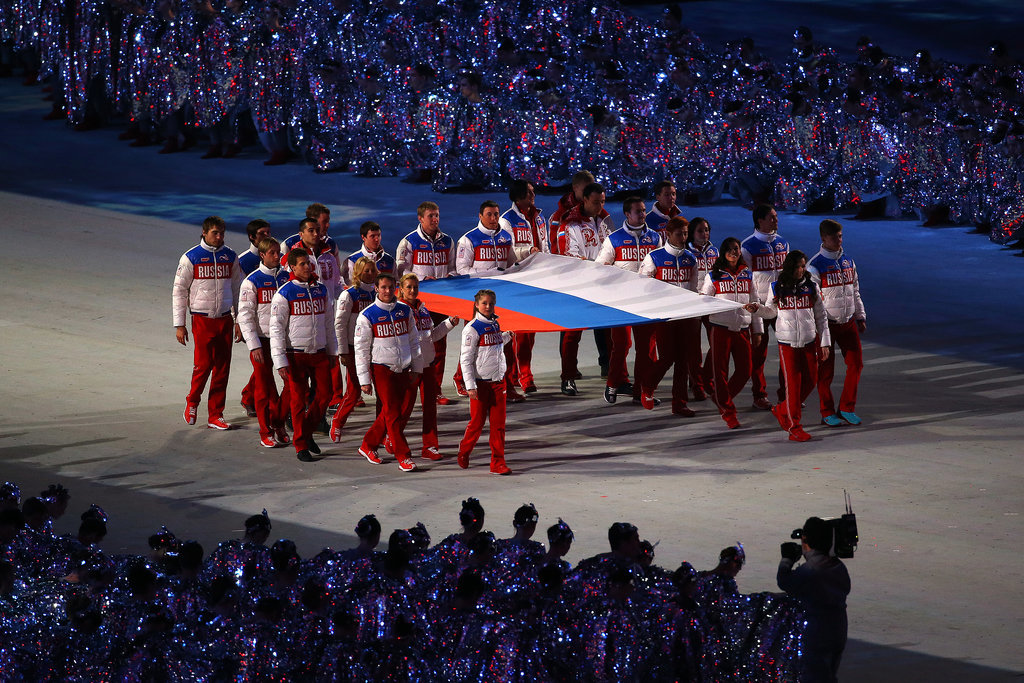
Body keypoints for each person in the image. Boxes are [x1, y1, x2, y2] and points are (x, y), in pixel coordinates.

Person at [172, 216, 242, 430]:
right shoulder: (191, 257)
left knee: (222, 368)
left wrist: (239, 320)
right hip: (202, 320)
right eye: (215, 233)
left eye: (222, 233)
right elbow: (179, 291)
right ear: (204, 232)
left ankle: (215, 414)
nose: (219, 237)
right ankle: (192, 401)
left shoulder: (230, 256)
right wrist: (179, 324)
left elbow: (238, 290)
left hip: (225, 320)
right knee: (203, 365)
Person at [754, 251, 831, 442]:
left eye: (803, 266)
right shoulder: (777, 287)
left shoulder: (812, 287)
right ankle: (794, 427)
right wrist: (757, 309)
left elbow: (821, 317)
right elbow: (771, 312)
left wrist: (825, 343)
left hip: (809, 342)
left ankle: (782, 409)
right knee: (793, 386)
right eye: (797, 266)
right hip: (786, 344)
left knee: (811, 380)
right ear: (789, 267)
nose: (801, 270)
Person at [269, 248, 338, 462]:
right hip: (295, 355)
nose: (307, 267)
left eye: (308, 263)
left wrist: (333, 351)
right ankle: (300, 445)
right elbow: (277, 329)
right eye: (302, 264)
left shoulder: (321, 290)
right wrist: (280, 361)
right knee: (298, 401)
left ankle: (306, 433)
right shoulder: (284, 293)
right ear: (291, 267)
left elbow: (328, 323)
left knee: (325, 394)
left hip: (318, 353)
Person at [353, 273, 423, 472]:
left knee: (390, 412)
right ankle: (404, 456)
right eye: (383, 287)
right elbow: (361, 349)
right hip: (382, 369)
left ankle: (367, 446)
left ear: (396, 288)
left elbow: (414, 340)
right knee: (392, 413)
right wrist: (364, 379)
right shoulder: (367, 315)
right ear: (376, 288)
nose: (387, 291)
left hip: (404, 368)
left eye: (390, 287)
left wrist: (416, 367)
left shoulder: (405, 311)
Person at [596, 196, 662, 405]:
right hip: (622, 302)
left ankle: (642, 391)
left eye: (643, 210)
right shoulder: (614, 239)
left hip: (646, 302)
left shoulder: (655, 238)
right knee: (622, 345)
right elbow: (600, 268)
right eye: (638, 211)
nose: (643, 214)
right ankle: (612, 385)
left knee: (647, 348)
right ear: (627, 214)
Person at [455, 200, 521, 402]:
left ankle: (506, 384)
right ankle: (462, 379)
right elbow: (462, 270)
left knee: (503, 341)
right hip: (478, 301)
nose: (494, 218)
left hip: (501, 299)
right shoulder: (468, 240)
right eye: (490, 214)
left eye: (497, 214)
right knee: (475, 342)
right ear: (480, 216)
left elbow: (511, 264)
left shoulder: (505, 236)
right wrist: (489, 273)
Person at [395, 201, 458, 405]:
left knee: (439, 347)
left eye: (437, 215)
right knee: (412, 346)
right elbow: (400, 272)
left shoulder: (447, 241)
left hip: (441, 302)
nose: (435, 219)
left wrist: (448, 276)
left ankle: (435, 390)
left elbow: (454, 268)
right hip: (416, 304)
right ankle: (408, 389)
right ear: (420, 218)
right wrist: (420, 281)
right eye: (431, 216)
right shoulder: (408, 242)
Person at [807, 220, 866, 427]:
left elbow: (855, 290)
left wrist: (860, 315)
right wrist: (819, 331)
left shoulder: (849, 261)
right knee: (826, 372)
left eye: (840, 236)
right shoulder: (814, 265)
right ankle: (827, 412)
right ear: (823, 238)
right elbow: (813, 302)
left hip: (848, 322)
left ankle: (847, 408)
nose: (839, 240)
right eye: (834, 237)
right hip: (827, 325)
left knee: (856, 364)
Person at [699, 237, 763, 429]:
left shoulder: (748, 275)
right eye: (729, 249)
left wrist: (757, 330)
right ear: (723, 253)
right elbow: (704, 300)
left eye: (736, 249)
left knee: (746, 370)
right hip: (720, 329)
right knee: (720, 373)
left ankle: (720, 398)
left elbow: (756, 304)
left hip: (742, 329)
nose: (733, 252)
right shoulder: (714, 276)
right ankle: (728, 412)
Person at [638, 216, 700, 415]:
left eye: (685, 233)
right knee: (667, 358)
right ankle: (647, 386)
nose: (683, 237)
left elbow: (694, 289)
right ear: (668, 234)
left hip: (685, 317)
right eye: (679, 233)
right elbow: (642, 288)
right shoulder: (654, 257)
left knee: (683, 361)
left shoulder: (691, 258)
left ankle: (679, 403)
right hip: (664, 317)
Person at [559, 182, 616, 396]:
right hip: (579, 285)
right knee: (573, 334)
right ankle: (567, 378)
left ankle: (614, 375)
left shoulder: (605, 220)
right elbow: (571, 254)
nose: (600, 206)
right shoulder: (571, 224)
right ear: (584, 200)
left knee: (611, 333)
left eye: (603, 201)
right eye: (595, 202)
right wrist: (594, 266)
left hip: (604, 284)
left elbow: (613, 246)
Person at [778, 517, 851, 683]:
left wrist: (786, 560)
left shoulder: (811, 570)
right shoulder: (838, 566)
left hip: (817, 631)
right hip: (838, 628)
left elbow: (784, 582)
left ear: (806, 540)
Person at [396, 273, 458, 460]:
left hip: (428, 365)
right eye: (409, 287)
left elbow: (431, 336)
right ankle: (393, 438)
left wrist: (448, 324)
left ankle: (429, 446)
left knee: (430, 408)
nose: (413, 291)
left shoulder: (423, 310)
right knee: (404, 407)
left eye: (415, 287)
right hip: (410, 367)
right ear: (400, 290)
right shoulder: (398, 311)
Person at [237, 237, 291, 448]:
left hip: (285, 341)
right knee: (263, 388)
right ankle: (265, 430)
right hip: (262, 340)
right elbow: (245, 315)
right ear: (262, 255)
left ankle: (278, 422)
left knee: (292, 384)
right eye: (272, 253)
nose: (277, 256)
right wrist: (254, 346)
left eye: (278, 252)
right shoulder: (252, 281)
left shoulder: (287, 278)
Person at [457, 289, 513, 475]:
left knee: (499, 426)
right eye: (484, 303)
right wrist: (470, 385)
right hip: (480, 385)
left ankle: (498, 462)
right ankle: (464, 450)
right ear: (476, 304)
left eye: (491, 303)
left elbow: (494, 347)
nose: (488, 307)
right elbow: (466, 360)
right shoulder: (471, 329)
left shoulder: (495, 324)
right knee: (477, 423)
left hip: (499, 383)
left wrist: (507, 336)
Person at [500, 179, 549, 393]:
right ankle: (518, 376)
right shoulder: (507, 220)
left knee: (530, 332)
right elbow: (509, 251)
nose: (533, 194)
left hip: (536, 280)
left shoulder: (539, 217)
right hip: (516, 280)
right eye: (529, 192)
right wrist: (528, 251)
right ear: (519, 196)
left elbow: (545, 246)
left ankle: (523, 375)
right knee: (515, 332)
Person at [740, 205, 790, 410]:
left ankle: (786, 394)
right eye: (771, 217)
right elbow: (746, 281)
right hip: (760, 307)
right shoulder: (747, 246)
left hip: (782, 305)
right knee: (759, 353)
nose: (776, 221)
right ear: (759, 220)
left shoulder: (783, 243)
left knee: (787, 351)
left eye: (776, 217)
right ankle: (759, 395)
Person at [329, 257, 378, 442]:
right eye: (366, 271)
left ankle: (383, 430)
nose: (370, 274)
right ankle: (337, 422)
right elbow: (339, 324)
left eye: (373, 270)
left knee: (382, 392)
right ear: (357, 273)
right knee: (354, 391)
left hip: (376, 349)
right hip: (354, 349)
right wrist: (343, 351)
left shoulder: (379, 294)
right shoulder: (349, 295)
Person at [239, 219, 275, 418]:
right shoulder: (244, 261)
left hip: (271, 325)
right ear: (252, 237)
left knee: (266, 365)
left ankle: (248, 395)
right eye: (262, 233)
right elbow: (238, 291)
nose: (267, 236)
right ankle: (262, 405)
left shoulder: (276, 259)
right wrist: (238, 322)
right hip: (253, 322)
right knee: (263, 365)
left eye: (269, 232)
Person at [687, 217, 717, 402]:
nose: (704, 234)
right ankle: (697, 384)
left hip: (712, 302)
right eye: (700, 230)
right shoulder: (686, 252)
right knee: (694, 348)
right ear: (692, 232)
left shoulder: (714, 250)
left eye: (706, 230)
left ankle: (706, 378)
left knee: (717, 343)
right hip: (693, 304)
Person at [548, 170, 595, 254]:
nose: (590, 194)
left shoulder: (597, 211)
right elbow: (557, 251)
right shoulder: (559, 217)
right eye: (585, 190)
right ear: (575, 188)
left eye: (592, 189)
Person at [340, 221, 396, 287]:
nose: (377, 239)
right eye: (372, 236)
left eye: (378, 235)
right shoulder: (352, 260)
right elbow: (349, 287)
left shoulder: (390, 260)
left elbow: (396, 284)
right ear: (363, 237)